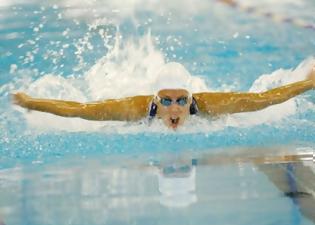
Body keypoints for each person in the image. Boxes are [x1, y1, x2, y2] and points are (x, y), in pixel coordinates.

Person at [12, 62, 315, 129]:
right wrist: (31, 103)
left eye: (182, 100)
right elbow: (78, 109)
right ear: (155, 101)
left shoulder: (212, 105)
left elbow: (266, 98)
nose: (175, 108)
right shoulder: (132, 109)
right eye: (166, 100)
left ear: (191, 98)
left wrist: (308, 84)